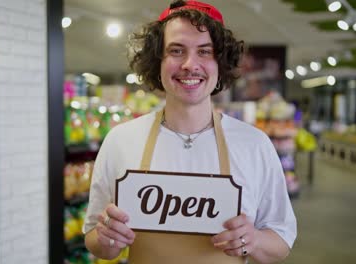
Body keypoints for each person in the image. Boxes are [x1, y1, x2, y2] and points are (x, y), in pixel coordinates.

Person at [83, 1, 297, 263]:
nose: (189, 64)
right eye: (176, 50)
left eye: (205, 52)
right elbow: (94, 239)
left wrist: (252, 239)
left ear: (220, 63)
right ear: (157, 62)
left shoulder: (254, 145)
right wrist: (107, 238)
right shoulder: (121, 140)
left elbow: (281, 241)